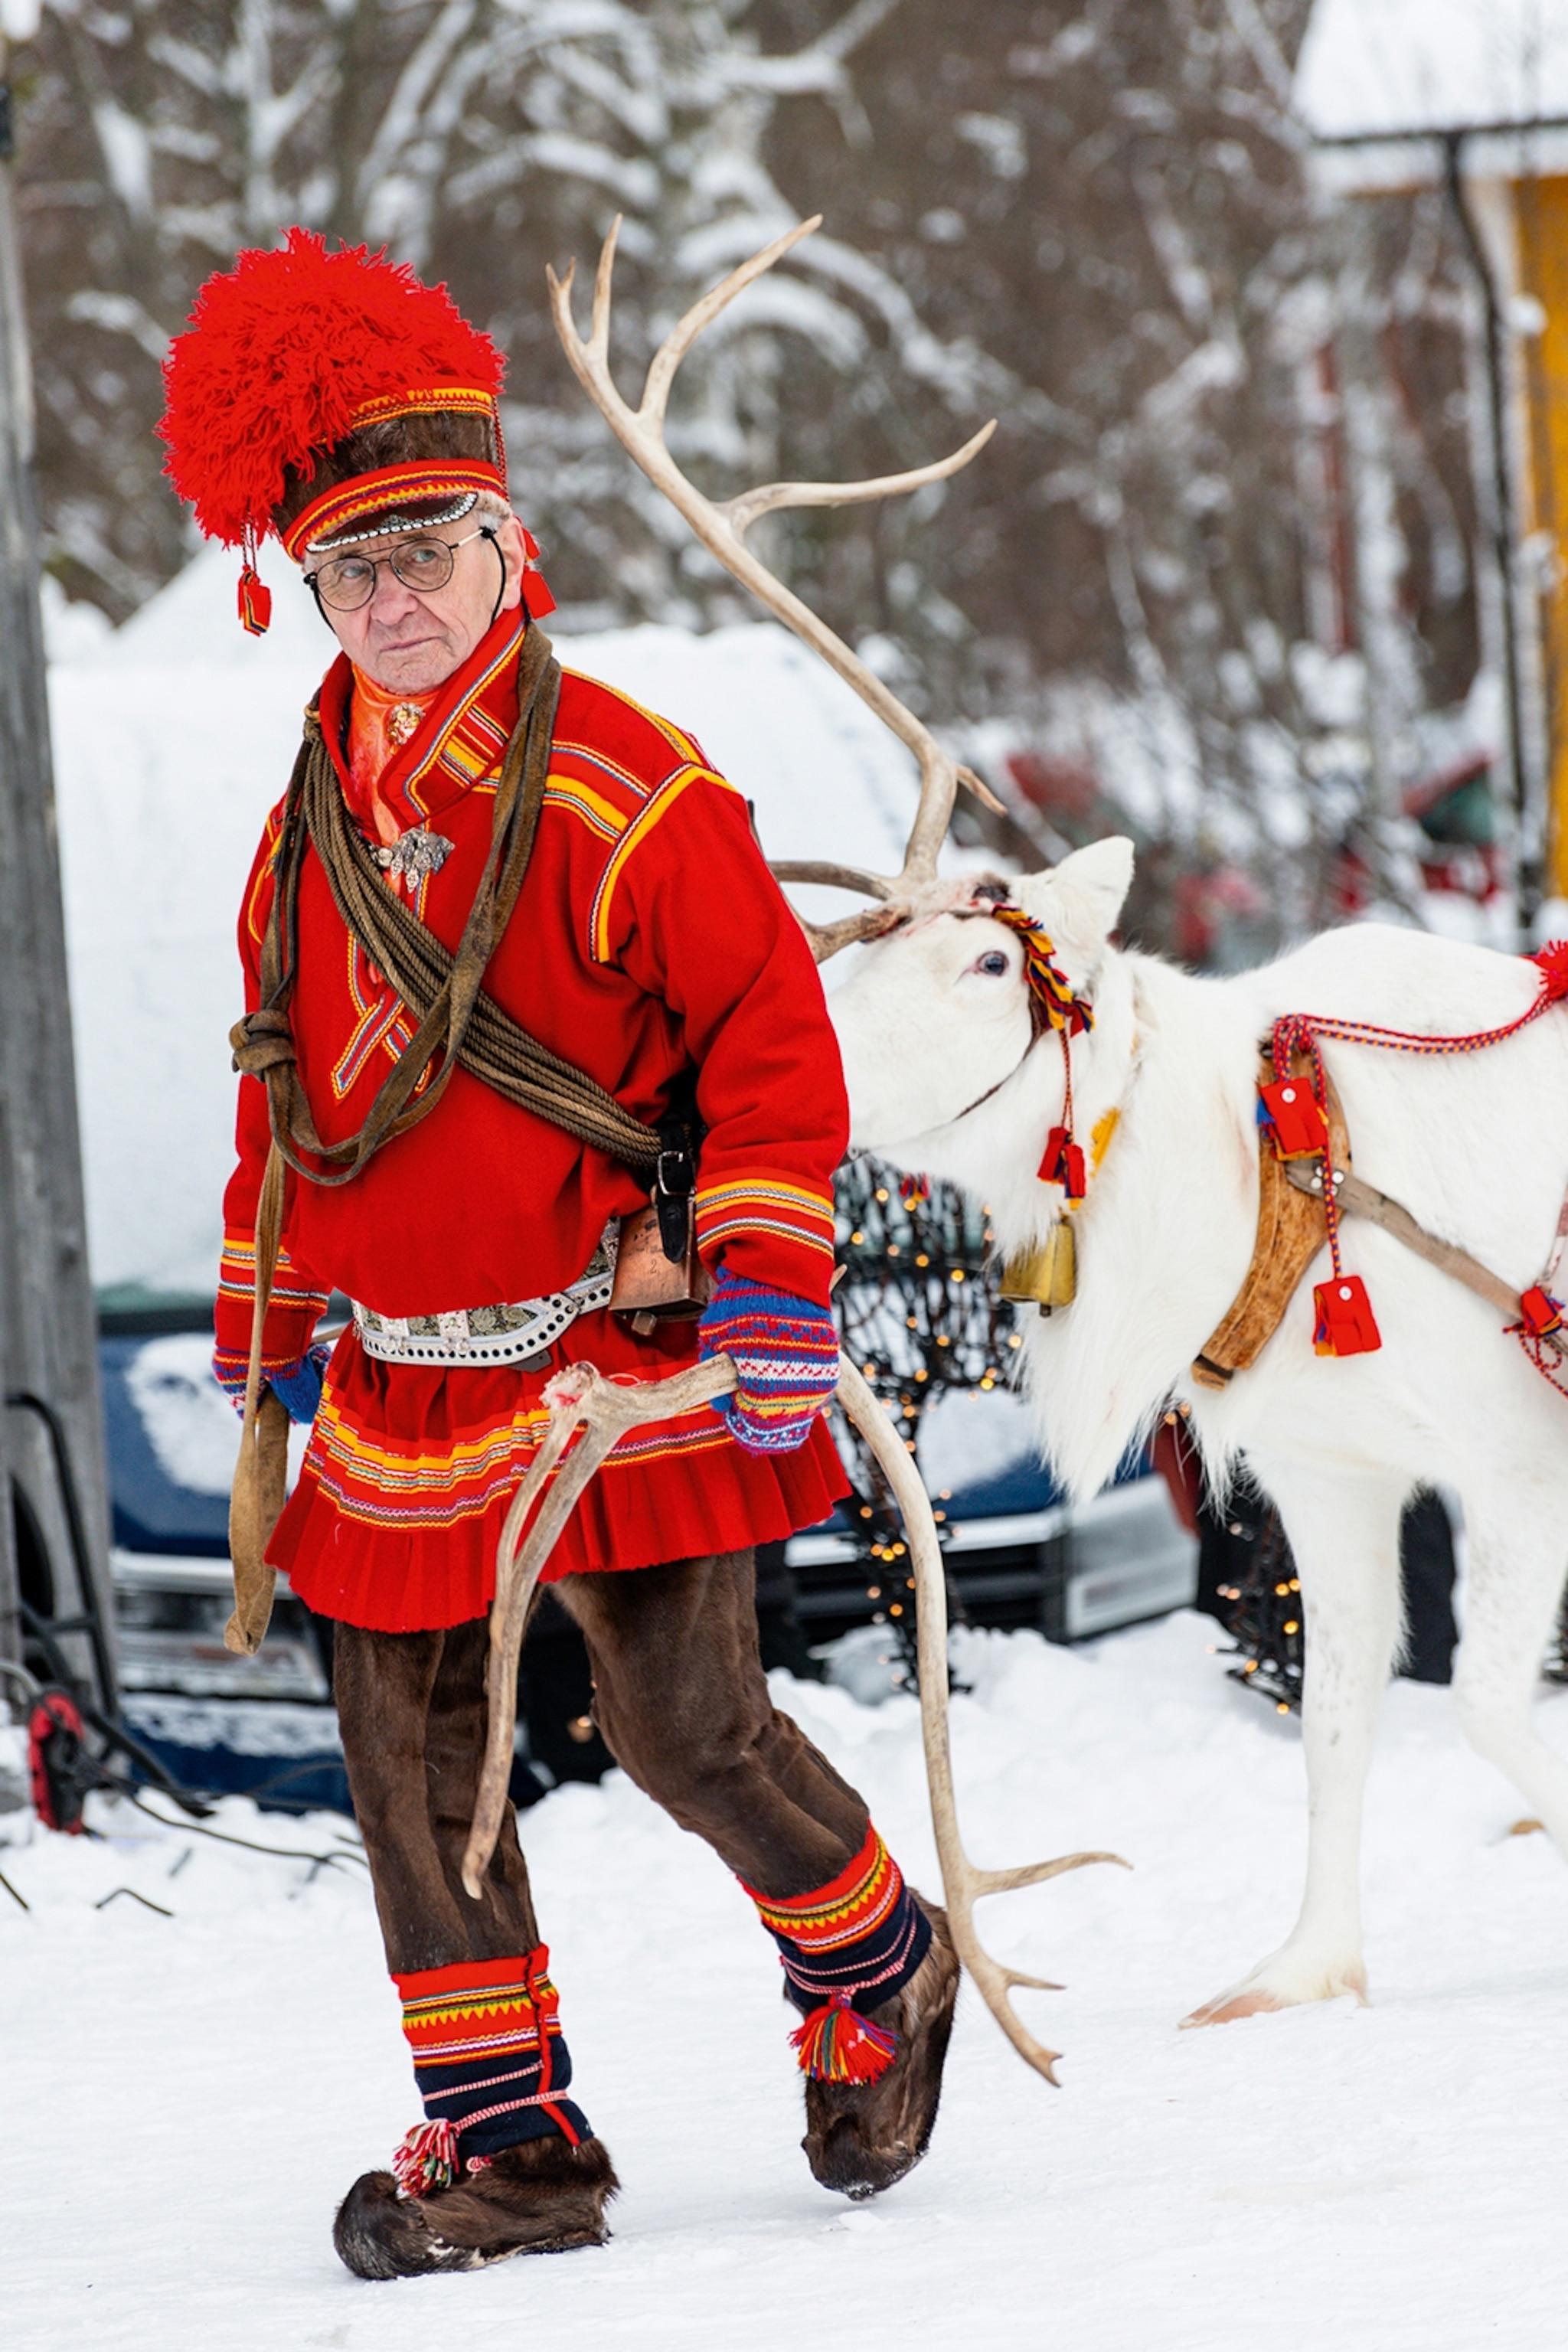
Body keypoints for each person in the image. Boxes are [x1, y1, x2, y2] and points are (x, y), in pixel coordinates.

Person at [157, 230, 958, 2279]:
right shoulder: (303, 821)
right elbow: (282, 1087)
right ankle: (510, 2145)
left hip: (626, 1361)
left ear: (512, 547)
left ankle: (878, 1963)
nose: (392, 598)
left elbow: (774, 1052)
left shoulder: (632, 791)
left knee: (692, 1734)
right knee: (408, 1776)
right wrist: (268, 1341)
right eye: (350, 569)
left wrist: (773, 1280)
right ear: (301, 592)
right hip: (411, 1386)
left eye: (427, 547)